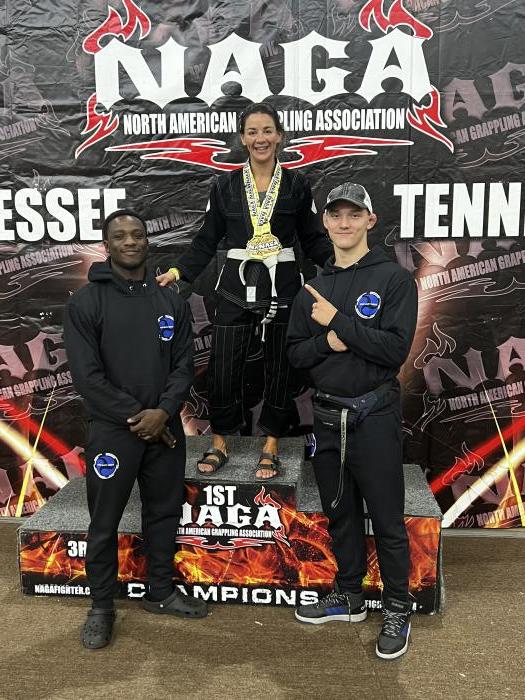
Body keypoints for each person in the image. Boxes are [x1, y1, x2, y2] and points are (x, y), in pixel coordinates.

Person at [157, 103, 332, 479]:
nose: (260, 138)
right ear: (242, 138)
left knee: (280, 368)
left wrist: (342, 266)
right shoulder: (225, 185)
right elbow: (207, 238)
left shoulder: (297, 185)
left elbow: (313, 239)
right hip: (237, 284)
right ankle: (220, 442)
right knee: (223, 367)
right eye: (252, 132)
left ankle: (271, 444)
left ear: (280, 136)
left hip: (282, 285)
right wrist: (178, 271)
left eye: (267, 130)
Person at [64, 209, 208, 650]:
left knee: (164, 512)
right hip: (114, 432)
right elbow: (87, 378)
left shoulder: (170, 301)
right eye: (120, 236)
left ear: (148, 241)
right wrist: (141, 417)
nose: (130, 241)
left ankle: (159, 591)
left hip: (165, 429)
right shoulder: (86, 302)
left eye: (138, 234)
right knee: (104, 520)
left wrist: (163, 412)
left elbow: (184, 365)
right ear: (106, 245)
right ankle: (101, 607)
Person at [286, 183, 418, 660]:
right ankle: (349, 595)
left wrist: (338, 322)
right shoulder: (314, 287)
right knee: (340, 513)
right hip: (326, 418)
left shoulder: (394, 280)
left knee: (386, 518)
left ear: (370, 220)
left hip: (373, 415)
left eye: (354, 214)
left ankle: (398, 606)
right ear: (325, 222)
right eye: (336, 215)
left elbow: (394, 350)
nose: (344, 223)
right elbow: (295, 354)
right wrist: (328, 341)